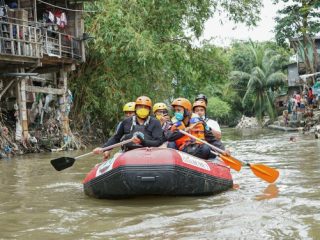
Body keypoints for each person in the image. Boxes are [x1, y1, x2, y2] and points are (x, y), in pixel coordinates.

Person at [93, 96, 163, 160]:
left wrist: (142, 142)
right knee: (116, 156)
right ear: (135, 108)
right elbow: (116, 138)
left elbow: (158, 142)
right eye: (140, 107)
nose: (142, 109)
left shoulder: (155, 122)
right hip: (128, 153)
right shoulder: (126, 122)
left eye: (145, 107)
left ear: (149, 110)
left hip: (148, 153)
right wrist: (103, 148)